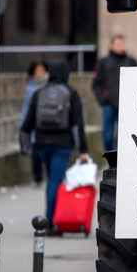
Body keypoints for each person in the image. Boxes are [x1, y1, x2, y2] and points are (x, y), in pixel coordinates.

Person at [21, 59, 90, 235]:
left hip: (42, 143)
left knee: (52, 179)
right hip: (62, 144)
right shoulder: (71, 93)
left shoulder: (39, 93)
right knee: (54, 181)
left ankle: (50, 219)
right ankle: (49, 223)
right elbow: (77, 124)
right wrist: (83, 150)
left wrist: (26, 146)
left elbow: (27, 123)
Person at [92, 35, 136, 153]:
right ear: (112, 45)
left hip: (126, 105)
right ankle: (111, 159)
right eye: (118, 44)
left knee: (124, 135)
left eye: (122, 44)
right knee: (108, 137)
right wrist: (103, 99)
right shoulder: (103, 62)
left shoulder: (130, 61)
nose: (120, 47)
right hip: (109, 104)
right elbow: (96, 83)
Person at [18, 59, 48, 186]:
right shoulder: (30, 87)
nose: (39, 73)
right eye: (37, 71)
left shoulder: (52, 85)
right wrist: (23, 125)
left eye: (42, 70)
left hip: (49, 123)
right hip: (35, 124)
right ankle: (37, 178)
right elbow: (26, 107)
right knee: (35, 152)